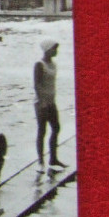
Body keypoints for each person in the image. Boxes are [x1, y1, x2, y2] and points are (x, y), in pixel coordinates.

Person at [34, 39, 67, 172]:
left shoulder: (53, 64)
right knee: (42, 131)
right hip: (41, 102)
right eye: (54, 49)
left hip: (51, 101)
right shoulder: (39, 64)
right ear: (48, 50)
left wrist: (50, 101)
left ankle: (53, 158)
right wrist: (42, 102)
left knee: (56, 128)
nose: (56, 51)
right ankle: (40, 161)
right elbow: (36, 84)